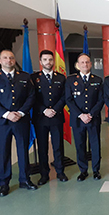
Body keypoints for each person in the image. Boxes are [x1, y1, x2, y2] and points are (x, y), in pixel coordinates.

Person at [0, 49, 37, 197]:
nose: (9, 60)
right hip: (2, 121)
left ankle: (25, 179)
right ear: (0, 61)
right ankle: (4, 183)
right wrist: (7, 114)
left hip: (21, 120)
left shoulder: (24, 77)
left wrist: (21, 112)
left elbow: (31, 96)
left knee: (23, 150)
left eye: (11, 58)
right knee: (3, 152)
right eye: (5, 58)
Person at [31, 50, 68, 185]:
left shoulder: (61, 78)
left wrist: (55, 109)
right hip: (41, 118)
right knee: (42, 147)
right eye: (45, 60)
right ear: (41, 62)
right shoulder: (33, 78)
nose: (48, 62)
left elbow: (64, 97)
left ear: (53, 61)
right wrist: (44, 110)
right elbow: (31, 97)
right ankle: (44, 174)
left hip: (56, 116)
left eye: (50, 60)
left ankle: (60, 171)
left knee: (58, 146)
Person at [66, 53, 104, 181]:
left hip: (93, 118)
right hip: (78, 120)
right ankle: (83, 171)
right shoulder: (71, 80)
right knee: (80, 145)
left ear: (91, 64)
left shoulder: (97, 80)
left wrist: (91, 114)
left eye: (87, 62)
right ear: (78, 65)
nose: (85, 64)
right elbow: (69, 100)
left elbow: (100, 100)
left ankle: (96, 170)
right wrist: (81, 115)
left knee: (95, 145)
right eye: (82, 62)